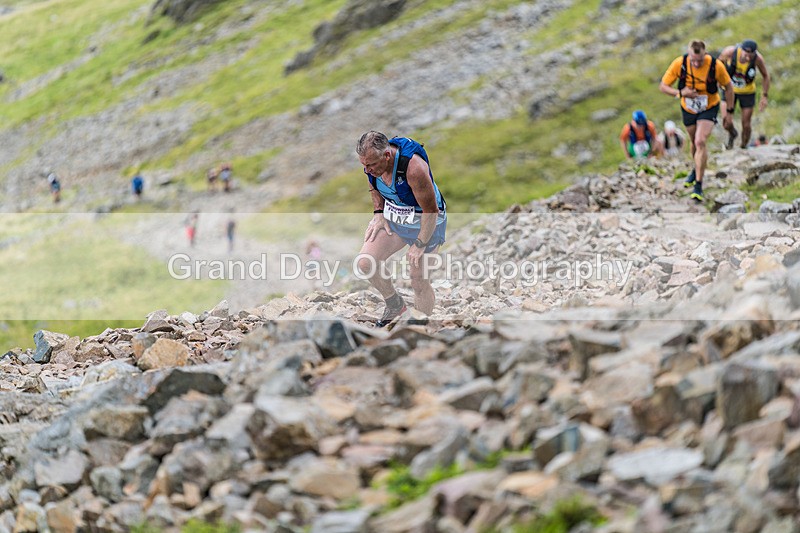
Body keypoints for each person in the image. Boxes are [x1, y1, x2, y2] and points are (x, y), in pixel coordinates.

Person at [355, 131, 447, 327]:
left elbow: (431, 210)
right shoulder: (373, 166)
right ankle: (395, 305)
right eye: (364, 165)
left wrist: (420, 243)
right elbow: (373, 185)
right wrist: (378, 213)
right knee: (365, 262)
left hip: (427, 222)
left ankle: (418, 328)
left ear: (386, 156)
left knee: (418, 280)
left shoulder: (414, 169)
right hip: (397, 218)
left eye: (370, 165)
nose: (367, 170)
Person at [659, 39, 733, 202]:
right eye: (693, 60)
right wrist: (680, 93)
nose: (697, 64)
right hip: (689, 108)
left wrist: (729, 111)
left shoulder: (715, 66)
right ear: (689, 54)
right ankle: (696, 168)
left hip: (709, 106)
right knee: (694, 142)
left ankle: (698, 185)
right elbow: (663, 86)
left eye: (699, 60)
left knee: (700, 141)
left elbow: (728, 87)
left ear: (705, 54)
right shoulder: (680, 63)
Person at [718, 39, 771, 150]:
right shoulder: (730, 52)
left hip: (747, 92)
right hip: (729, 90)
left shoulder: (758, 59)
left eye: (750, 56)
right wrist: (719, 80)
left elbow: (766, 75)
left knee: (746, 124)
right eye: (745, 55)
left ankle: (743, 146)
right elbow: (718, 65)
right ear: (741, 50)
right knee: (726, 122)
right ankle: (733, 134)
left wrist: (764, 96)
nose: (747, 58)